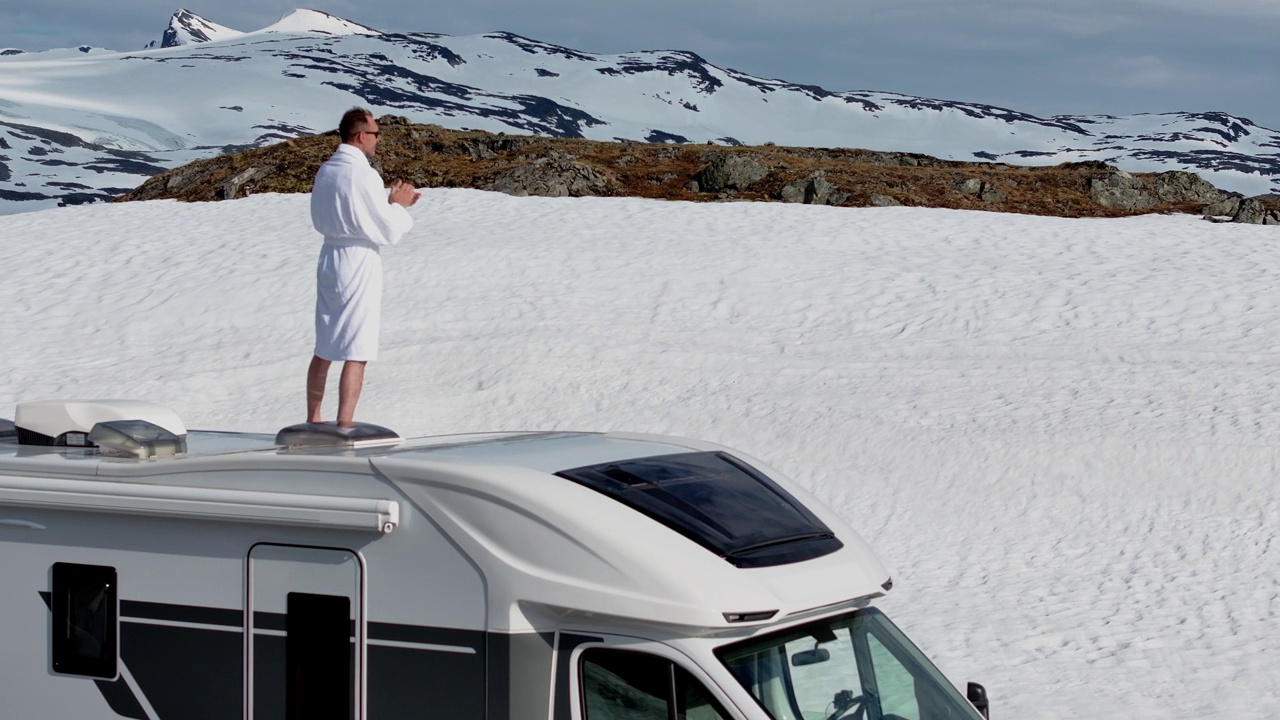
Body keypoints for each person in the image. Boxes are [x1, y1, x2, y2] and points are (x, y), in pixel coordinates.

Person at [306, 107, 420, 427]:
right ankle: (345, 423)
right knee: (358, 346)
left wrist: (386, 208)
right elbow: (385, 229)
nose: (378, 140)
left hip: (330, 257)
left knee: (325, 345)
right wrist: (397, 205)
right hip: (357, 260)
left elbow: (337, 215)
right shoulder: (364, 174)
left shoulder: (326, 171)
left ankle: (313, 418)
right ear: (360, 136)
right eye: (375, 134)